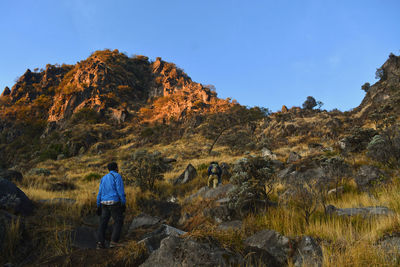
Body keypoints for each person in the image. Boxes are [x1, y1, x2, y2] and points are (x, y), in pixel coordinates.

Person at [96, 162, 126, 249]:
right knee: (118, 221)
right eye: (118, 167)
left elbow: (100, 193)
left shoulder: (103, 178)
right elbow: (120, 191)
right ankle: (114, 242)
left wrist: (98, 205)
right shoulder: (117, 176)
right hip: (114, 203)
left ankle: (100, 243)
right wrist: (123, 203)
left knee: (103, 223)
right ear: (116, 168)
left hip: (104, 203)